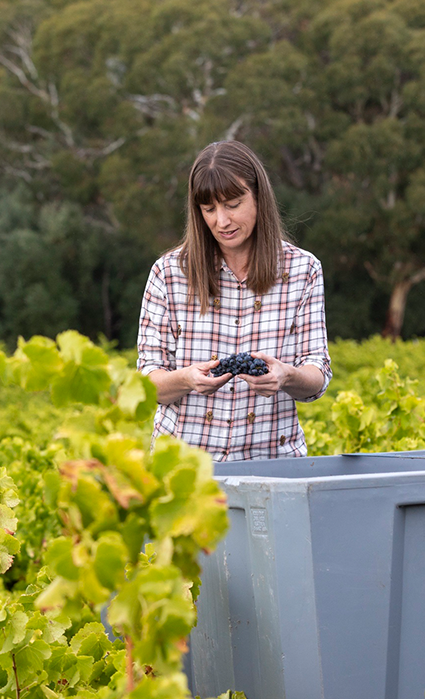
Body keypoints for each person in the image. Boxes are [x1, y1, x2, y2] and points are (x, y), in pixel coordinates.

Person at [137, 140, 332, 461]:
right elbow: (148, 382)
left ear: (259, 197)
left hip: (275, 467)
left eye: (233, 204)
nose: (222, 221)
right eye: (209, 209)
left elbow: (317, 374)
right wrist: (187, 379)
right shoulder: (169, 273)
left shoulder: (303, 270)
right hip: (186, 472)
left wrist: (286, 376)